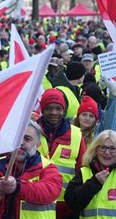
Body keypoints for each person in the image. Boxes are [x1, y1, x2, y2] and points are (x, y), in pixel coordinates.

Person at [0, 121, 62, 218]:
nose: (21, 142)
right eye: (17, 138)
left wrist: (18, 187)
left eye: (27, 139)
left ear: (37, 145)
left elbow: (49, 192)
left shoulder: (48, 168)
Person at [36, 88, 87, 218]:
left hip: (65, 206)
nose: (54, 112)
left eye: (58, 108)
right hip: (35, 202)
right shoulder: (31, 132)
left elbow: (82, 170)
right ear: (42, 110)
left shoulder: (76, 135)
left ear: (64, 110)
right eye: (49, 108)